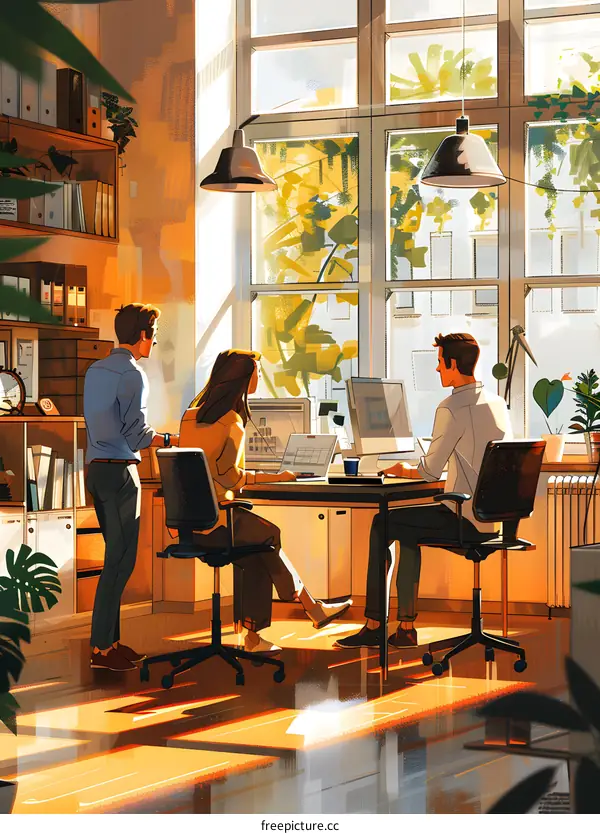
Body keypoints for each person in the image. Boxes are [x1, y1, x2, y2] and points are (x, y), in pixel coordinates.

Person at [335, 332, 512, 650]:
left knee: (383, 522)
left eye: (440, 363)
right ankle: (405, 628)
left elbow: (428, 471)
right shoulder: (496, 403)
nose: (437, 370)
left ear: (453, 364)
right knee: (408, 527)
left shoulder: (452, 407)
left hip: (465, 517)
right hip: (495, 519)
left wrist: (396, 469)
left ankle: (376, 624)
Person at [179, 349, 351, 654]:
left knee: (258, 554)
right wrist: (270, 477)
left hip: (188, 525)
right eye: (257, 372)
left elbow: (205, 467)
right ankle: (309, 606)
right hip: (218, 522)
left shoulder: (190, 416)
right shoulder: (231, 420)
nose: (260, 377)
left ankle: (256, 638)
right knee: (271, 536)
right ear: (243, 379)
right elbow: (228, 475)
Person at [84, 303, 179, 672]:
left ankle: (112, 643)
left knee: (114, 558)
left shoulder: (95, 370)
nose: (154, 341)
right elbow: (136, 435)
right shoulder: (134, 374)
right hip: (122, 474)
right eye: (153, 334)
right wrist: (168, 438)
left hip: (95, 471)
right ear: (143, 335)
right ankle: (101, 648)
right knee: (119, 564)